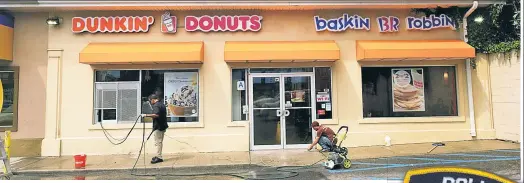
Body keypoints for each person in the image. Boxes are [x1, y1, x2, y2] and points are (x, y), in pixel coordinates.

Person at [142, 94, 168, 164]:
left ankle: (159, 157)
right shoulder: (162, 104)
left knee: (158, 142)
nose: (150, 102)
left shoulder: (156, 105)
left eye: (150, 101)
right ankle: (158, 155)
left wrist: (145, 115)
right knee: (159, 141)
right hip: (162, 126)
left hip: (158, 127)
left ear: (153, 99)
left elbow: (156, 115)